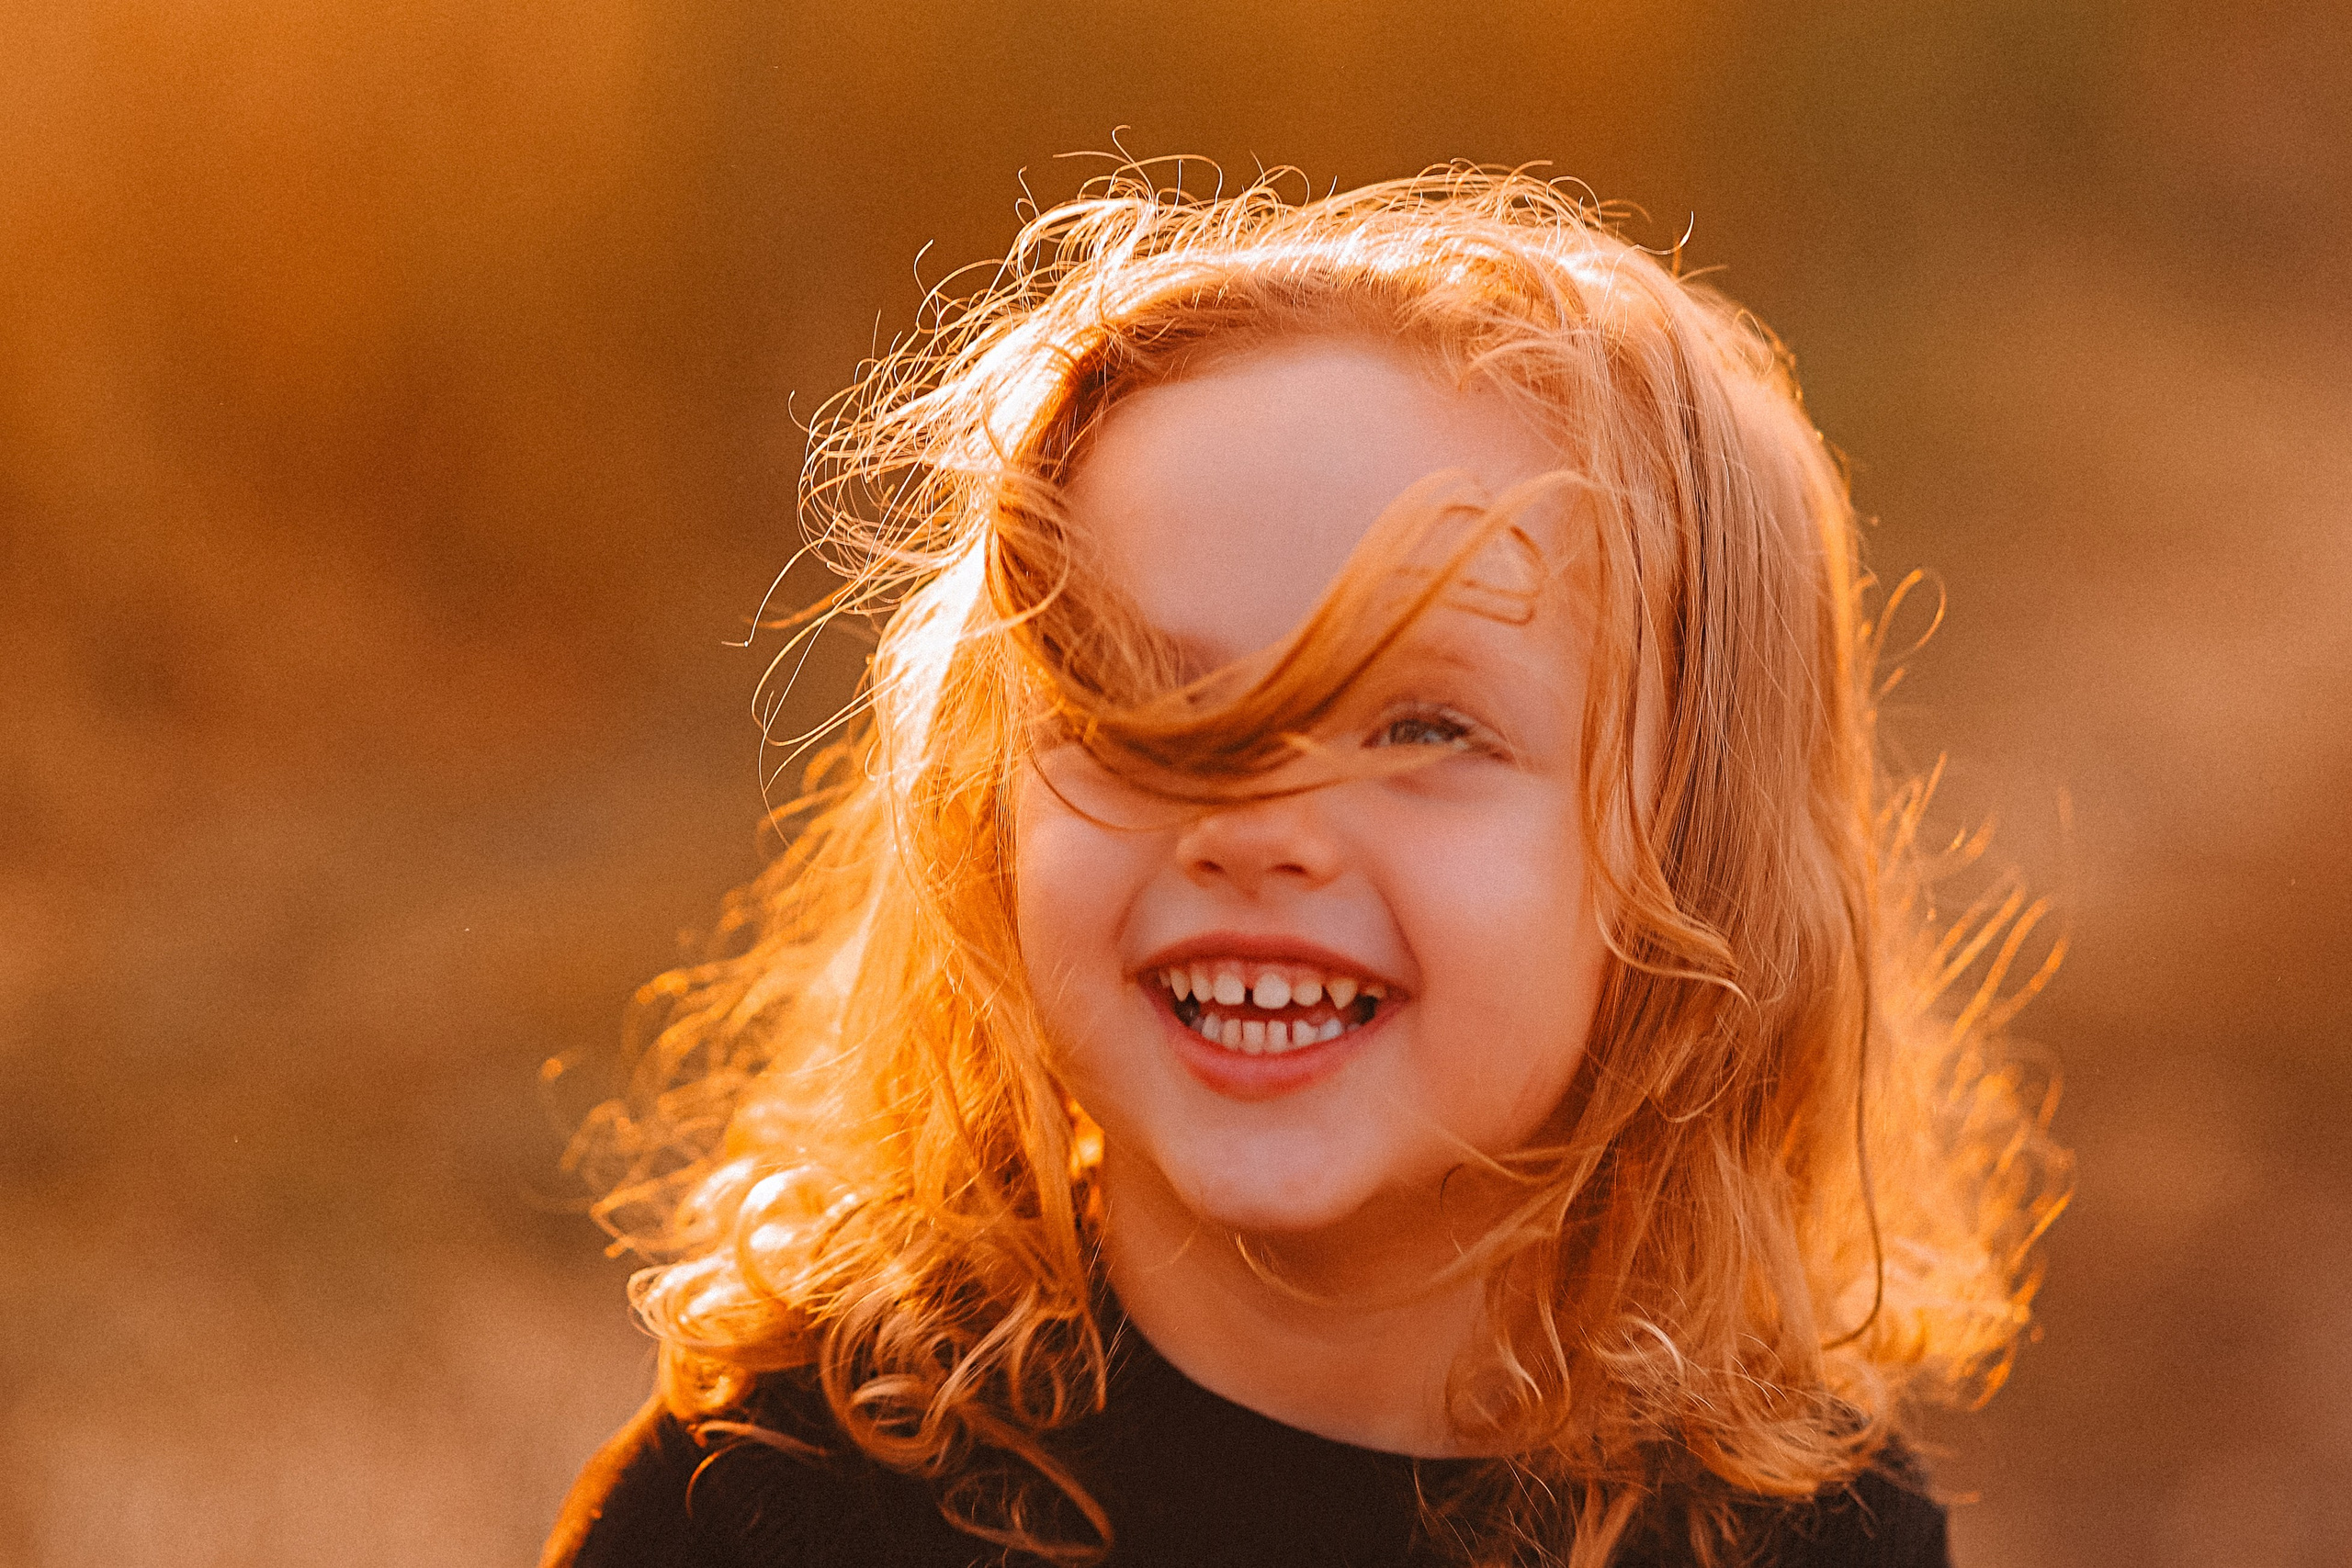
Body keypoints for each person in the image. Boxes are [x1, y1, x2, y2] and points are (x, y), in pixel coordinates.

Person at [542, 166, 2068, 1568]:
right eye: (1143, 704)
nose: (1256, 825)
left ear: (1695, 844)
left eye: (1422, 726)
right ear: (986, 806)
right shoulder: (770, 1504)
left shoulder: (1806, 1541)